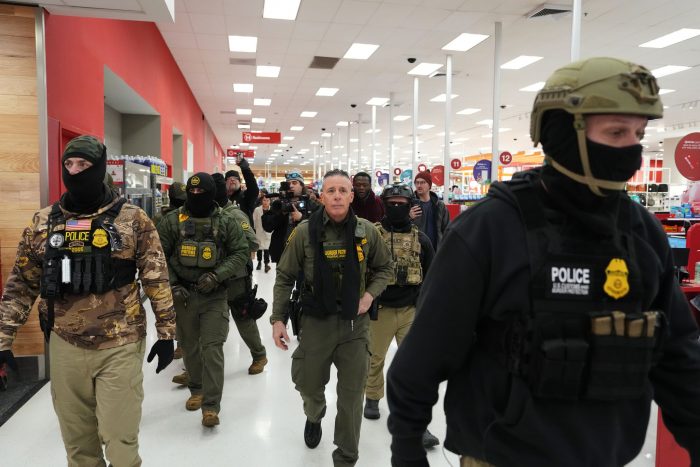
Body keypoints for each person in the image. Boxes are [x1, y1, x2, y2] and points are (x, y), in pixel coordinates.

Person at [387, 57, 700, 466]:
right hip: (502, 456)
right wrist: (407, 447)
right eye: (616, 132)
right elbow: (424, 355)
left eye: (639, 134)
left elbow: (677, 355)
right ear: (562, 131)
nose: (633, 149)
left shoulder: (641, 232)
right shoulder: (489, 229)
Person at [0, 135, 176, 466]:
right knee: (79, 447)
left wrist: (167, 334)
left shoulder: (133, 219)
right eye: (68, 164)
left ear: (98, 168)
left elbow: (156, 277)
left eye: (83, 164)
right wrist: (3, 338)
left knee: (121, 443)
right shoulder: (43, 222)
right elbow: (21, 284)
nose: (74, 171)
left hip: (120, 342)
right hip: (65, 343)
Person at [271, 169, 394, 467]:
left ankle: (346, 457)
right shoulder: (304, 233)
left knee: (352, 397)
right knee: (308, 384)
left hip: (355, 323)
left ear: (351, 196)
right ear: (322, 197)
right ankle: (314, 414)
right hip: (316, 321)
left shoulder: (367, 231)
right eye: (331, 191)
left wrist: (369, 295)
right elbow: (285, 276)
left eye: (343, 190)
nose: (337, 196)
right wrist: (278, 319)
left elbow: (385, 268)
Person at [156, 172, 249, 427]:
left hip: (214, 296)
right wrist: (173, 283)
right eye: (192, 192)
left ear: (211, 194)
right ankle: (196, 389)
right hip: (183, 295)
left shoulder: (226, 220)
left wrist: (217, 275)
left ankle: (211, 406)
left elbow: (241, 252)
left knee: (212, 348)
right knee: (189, 347)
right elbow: (159, 254)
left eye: (202, 192)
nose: (197, 196)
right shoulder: (172, 221)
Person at [362, 183, 438, 448]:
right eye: (391, 203)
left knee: (415, 367)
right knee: (374, 359)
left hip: (410, 310)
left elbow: (432, 275)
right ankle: (372, 397)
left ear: (410, 206)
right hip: (380, 309)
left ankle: (418, 424)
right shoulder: (372, 235)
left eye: (401, 203)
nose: (396, 207)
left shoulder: (421, 239)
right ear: (384, 204)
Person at [214, 172, 268, 375]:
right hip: (213, 276)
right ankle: (198, 366)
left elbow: (253, 243)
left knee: (242, 317)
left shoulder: (235, 215)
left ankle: (259, 355)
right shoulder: (209, 214)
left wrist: (230, 247)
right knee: (211, 321)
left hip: (236, 277)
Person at [262, 171, 317, 263]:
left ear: (302, 186)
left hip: (305, 254)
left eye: (294, 183)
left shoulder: (310, 204)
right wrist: (281, 213)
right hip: (282, 254)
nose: (291, 186)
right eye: (288, 183)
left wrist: (302, 218)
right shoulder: (278, 204)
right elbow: (267, 226)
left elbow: (318, 226)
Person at [409, 170, 449, 251]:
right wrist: (408, 217)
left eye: (422, 182)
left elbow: (446, 229)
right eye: (417, 182)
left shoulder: (440, 206)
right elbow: (400, 228)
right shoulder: (410, 205)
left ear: (429, 185)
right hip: (416, 250)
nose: (419, 185)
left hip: (436, 249)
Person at [226, 154, 259, 221]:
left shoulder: (245, 196)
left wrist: (245, 169)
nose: (232, 180)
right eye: (229, 178)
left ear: (239, 182)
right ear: (225, 182)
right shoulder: (222, 198)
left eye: (235, 178)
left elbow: (253, 189)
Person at [253, 194, 273, 272]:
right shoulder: (257, 210)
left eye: (267, 200)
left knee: (267, 249)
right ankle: (259, 263)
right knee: (259, 249)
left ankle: (266, 264)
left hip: (268, 232)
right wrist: (255, 229)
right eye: (264, 200)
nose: (265, 202)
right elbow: (254, 220)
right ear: (262, 201)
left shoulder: (272, 210)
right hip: (259, 231)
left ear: (270, 201)